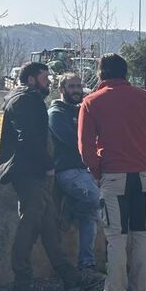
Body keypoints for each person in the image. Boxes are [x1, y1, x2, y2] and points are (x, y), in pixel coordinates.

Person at [0, 61, 97, 291]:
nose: (48, 82)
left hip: (31, 171)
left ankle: (69, 277)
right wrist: (47, 166)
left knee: (48, 224)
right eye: (44, 78)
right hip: (29, 172)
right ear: (31, 79)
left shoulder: (22, 98)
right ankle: (22, 280)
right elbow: (30, 138)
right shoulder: (26, 99)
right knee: (29, 225)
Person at [79, 54, 146, 291]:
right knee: (142, 235)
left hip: (113, 176)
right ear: (125, 72)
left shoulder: (91, 102)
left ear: (100, 73)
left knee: (116, 238)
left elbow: (85, 148)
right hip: (144, 175)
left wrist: (98, 172)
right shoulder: (145, 98)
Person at [49, 73, 100, 275]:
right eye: (71, 86)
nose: (76, 90)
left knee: (90, 214)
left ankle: (86, 264)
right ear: (61, 89)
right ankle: (70, 207)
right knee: (95, 199)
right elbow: (72, 141)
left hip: (85, 170)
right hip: (68, 171)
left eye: (78, 85)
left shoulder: (82, 110)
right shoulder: (56, 113)